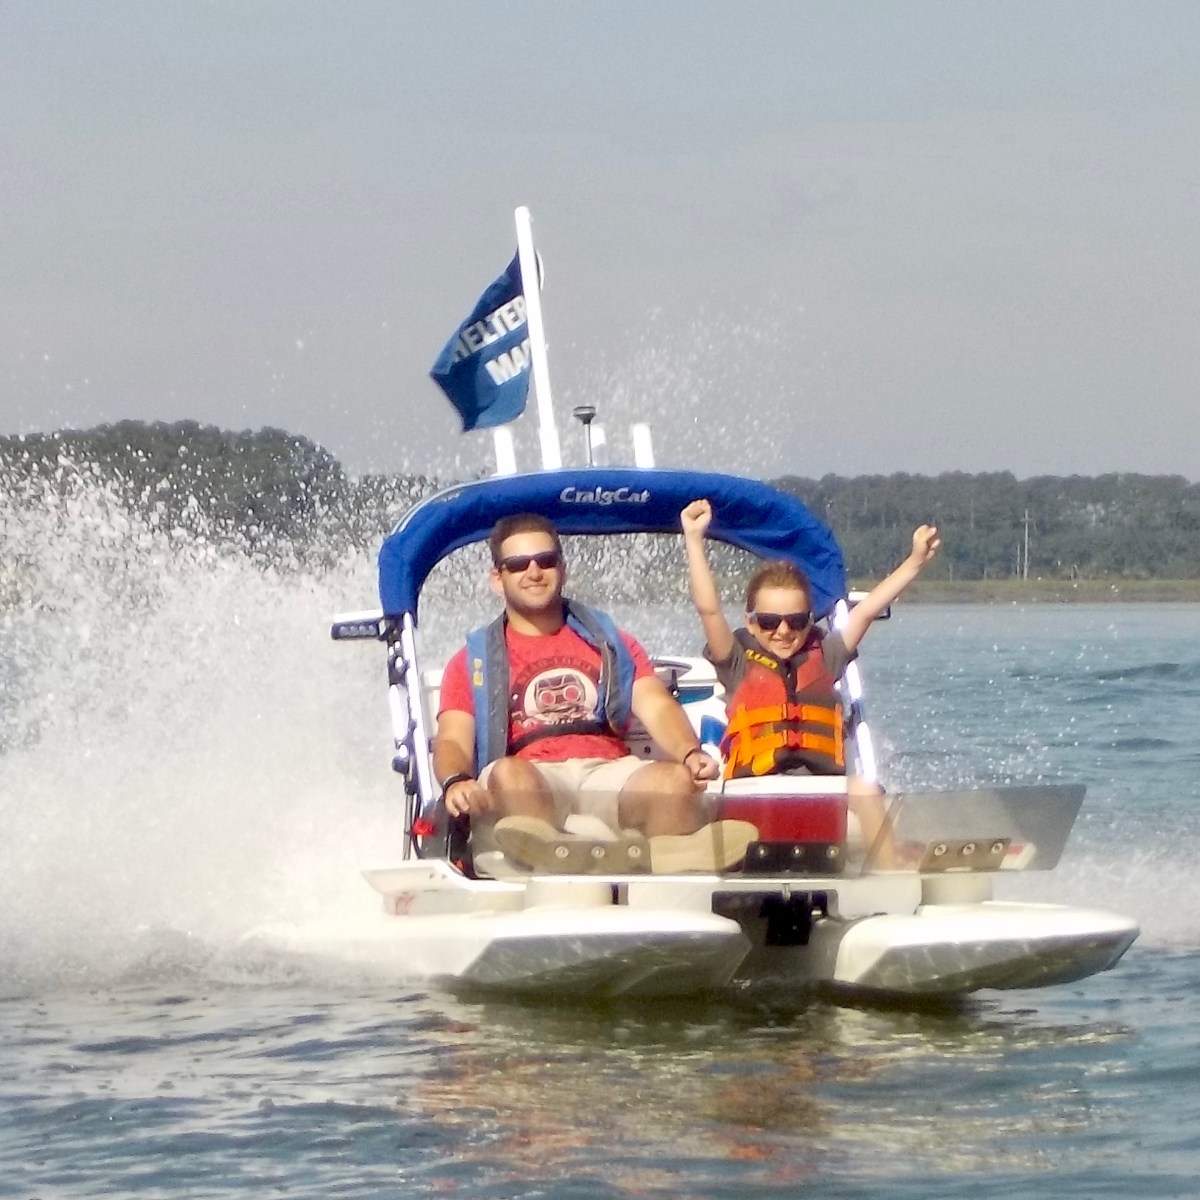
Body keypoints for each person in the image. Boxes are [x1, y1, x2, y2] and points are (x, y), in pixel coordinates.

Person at [432, 513, 757, 876]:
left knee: (675, 782)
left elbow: (655, 703)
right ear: (498, 578)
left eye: (546, 560)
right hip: (534, 776)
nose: (534, 571)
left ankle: (666, 864)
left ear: (563, 568)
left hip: (608, 771)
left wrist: (690, 752)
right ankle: (562, 857)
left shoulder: (610, 643)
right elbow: (452, 740)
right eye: (519, 564)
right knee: (510, 775)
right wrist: (456, 781)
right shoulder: (470, 662)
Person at [680, 499, 940, 860]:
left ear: (809, 620)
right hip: (755, 789)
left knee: (865, 791)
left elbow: (865, 611)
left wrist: (914, 562)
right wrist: (694, 539)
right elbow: (708, 609)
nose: (784, 631)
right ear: (751, 622)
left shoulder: (826, 655)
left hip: (820, 786)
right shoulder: (736, 659)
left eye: (797, 621)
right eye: (769, 622)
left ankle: (891, 877)